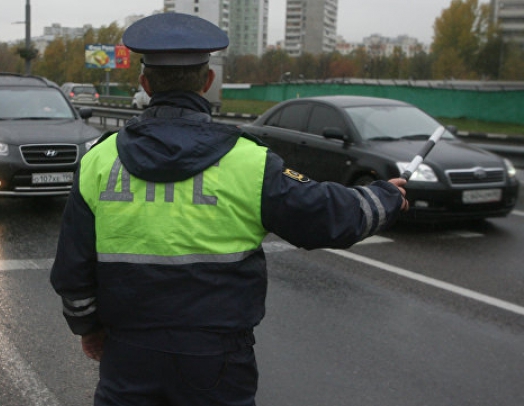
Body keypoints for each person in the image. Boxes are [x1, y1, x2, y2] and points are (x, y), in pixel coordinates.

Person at [50, 12, 409, 406]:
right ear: (208, 82)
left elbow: (73, 270)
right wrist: (385, 197)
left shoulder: (99, 162)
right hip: (217, 360)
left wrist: (89, 328)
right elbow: (324, 216)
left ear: (145, 84)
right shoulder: (248, 161)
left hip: (128, 354)